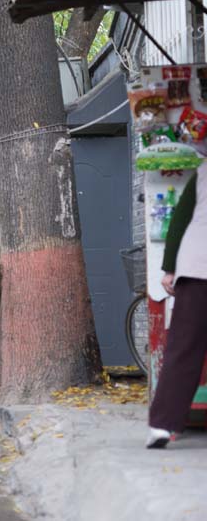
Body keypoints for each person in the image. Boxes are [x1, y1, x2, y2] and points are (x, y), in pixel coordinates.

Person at [147, 164, 207, 449]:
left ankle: (162, 426)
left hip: (196, 266)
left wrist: (170, 267)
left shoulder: (204, 171)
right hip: (197, 263)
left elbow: (180, 220)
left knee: (183, 348)